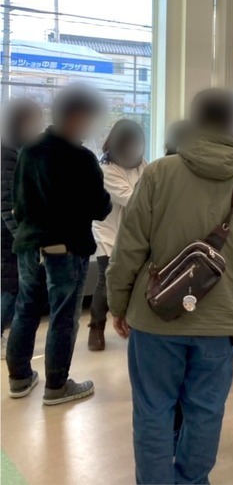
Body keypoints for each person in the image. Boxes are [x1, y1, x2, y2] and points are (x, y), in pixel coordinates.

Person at [106, 89, 233, 485]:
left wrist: (118, 303)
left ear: (194, 120)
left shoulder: (159, 174)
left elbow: (128, 248)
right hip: (222, 322)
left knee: (153, 409)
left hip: (155, 316)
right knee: (205, 411)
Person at [6, 86, 111, 405]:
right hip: (66, 249)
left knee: (26, 309)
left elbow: (18, 200)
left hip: (29, 245)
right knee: (63, 316)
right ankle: (57, 385)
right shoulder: (81, 158)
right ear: (77, 117)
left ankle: (19, 378)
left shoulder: (29, 150)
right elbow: (100, 208)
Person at [88, 119, 148, 352]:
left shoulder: (142, 164)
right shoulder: (106, 169)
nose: (135, 148)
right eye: (130, 143)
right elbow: (133, 199)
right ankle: (96, 327)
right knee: (106, 281)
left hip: (134, 234)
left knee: (135, 281)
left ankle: (130, 324)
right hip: (109, 234)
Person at [1, 99, 43, 359]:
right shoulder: (7, 150)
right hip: (10, 234)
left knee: (14, 287)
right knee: (10, 286)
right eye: (33, 122)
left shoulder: (23, 149)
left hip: (20, 231)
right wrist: (21, 236)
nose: (37, 127)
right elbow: (6, 200)